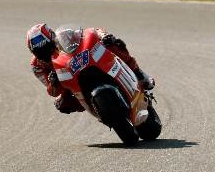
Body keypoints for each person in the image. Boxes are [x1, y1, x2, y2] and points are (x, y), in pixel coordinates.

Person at [26, 23, 155, 114]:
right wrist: (53, 82)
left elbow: (92, 31)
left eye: (47, 48)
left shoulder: (65, 35)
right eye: (40, 52)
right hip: (67, 79)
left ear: (53, 38)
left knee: (114, 43)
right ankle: (97, 107)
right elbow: (53, 92)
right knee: (62, 104)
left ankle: (139, 74)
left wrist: (104, 36)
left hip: (85, 61)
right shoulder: (37, 66)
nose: (46, 54)